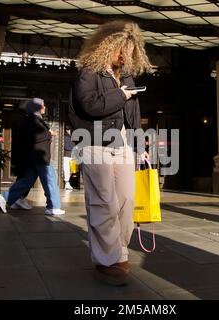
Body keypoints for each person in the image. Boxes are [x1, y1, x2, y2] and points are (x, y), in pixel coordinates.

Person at [68, 20, 152, 286]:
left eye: (128, 50)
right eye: (120, 49)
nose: (123, 55)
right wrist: (122, 95)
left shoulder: (126, 76)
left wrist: (140, 148)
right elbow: (90, 105)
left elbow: (134, 116)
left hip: (124, 144)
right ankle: (107, 261)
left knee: (127, 200)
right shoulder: (89, 72)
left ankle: (119, 250)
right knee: (103, 202)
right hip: (94, 144)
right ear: (106, 45)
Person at [0, 98, 65, 216]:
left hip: (35, 156)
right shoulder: (32, 120)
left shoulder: (33, 119)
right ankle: (53, 207)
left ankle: (4, 197)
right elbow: (34, 137)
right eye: (42, 105)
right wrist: (48, 133)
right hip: (39, 156)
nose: (45, 107)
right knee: (50, 180)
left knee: (27, 180)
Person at [63, 126, 75, 190]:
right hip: (67, 155)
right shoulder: (65, 137)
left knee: (71, 170)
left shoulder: (72, 137)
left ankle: (67, 182)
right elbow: (67, 146)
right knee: (67, 169)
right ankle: (67, 183)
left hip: (71, 155)